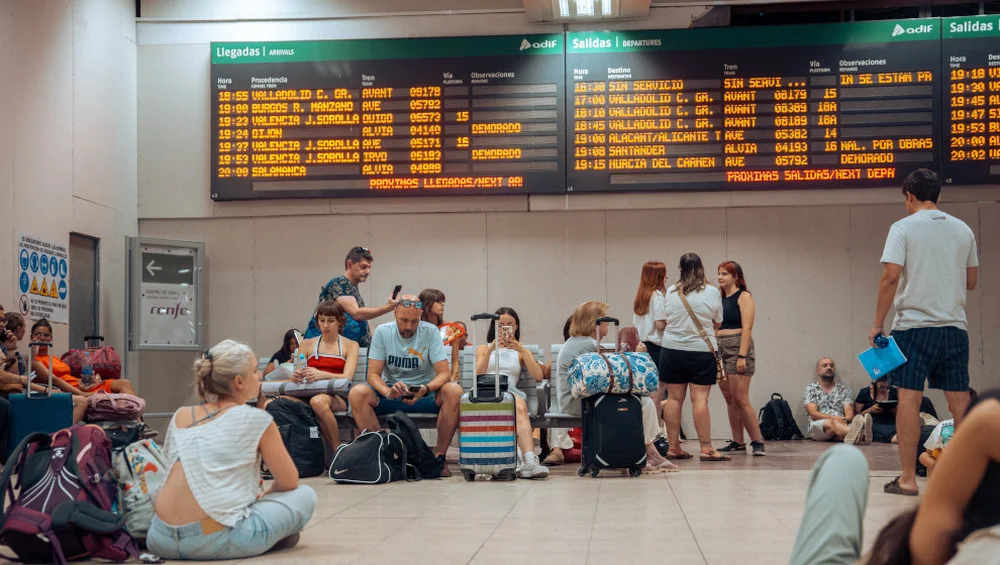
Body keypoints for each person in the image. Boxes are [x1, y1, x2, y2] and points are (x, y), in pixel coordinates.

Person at [147, 340, 315, 560]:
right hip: (211, 538)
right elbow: (289, 481)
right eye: (255, 371)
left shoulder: (181, 415)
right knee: (305, 496)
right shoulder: (257, 419)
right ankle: (263, 538)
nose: (259, 377)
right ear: (239, 382)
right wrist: (261, 498)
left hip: (159, 537)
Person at [788, 390, 1000, 565]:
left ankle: (856, 433)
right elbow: (817, 413)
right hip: (832, 423)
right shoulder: (842, 391)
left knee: (844, 457)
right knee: (843, 443)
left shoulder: (970, 542)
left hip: (851, 424)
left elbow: (985, 420)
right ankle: (856, 432)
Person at [869, 169, 978, 497]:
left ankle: (907, 479)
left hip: (914, 327)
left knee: (909, 400)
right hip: (955, 328)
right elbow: (971, 282)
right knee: (960, 403)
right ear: (938, 196)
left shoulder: (902, 228)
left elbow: (890, 277)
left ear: (909, 196)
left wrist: (877, 323)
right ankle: (967, 479)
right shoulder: (964, 230)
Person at [549, 301, 676, 473]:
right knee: (641, 403)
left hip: (577, 399)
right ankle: (647, 451)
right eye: (605, 322)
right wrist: (639, 356)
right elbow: (614, 376)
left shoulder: (578, 342)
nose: (608, 326)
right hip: (580, 403)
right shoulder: (587, 345)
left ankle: (646, 451)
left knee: (638, 402)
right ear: (595, 323)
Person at [347, 295, 464, 476]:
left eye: (414, 321)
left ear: (421, 316)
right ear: (395, 313)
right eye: (404, 320)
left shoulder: (430, 331)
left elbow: (444, 373)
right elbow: (372, 375)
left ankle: (437, 457)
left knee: (454, 390)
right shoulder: (383, 332)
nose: (409, 327)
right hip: (392, 393)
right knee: (357, 393)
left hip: (424, 394)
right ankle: (383, 455)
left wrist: (426, 388)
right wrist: (387, 391)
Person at [659, 252, 728, 462]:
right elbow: (718, 323)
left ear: (681, 269)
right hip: (701, 350)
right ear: (701, 268)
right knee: (700, 399)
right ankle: (706, 448)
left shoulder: (671, 290)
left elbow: (664, 320)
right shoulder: (712, 292)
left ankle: (673, 447)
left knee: (673, 399)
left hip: (671, 350)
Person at [473, 307, 549, 479]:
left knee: (519, 404)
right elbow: (478, 374)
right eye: (501, 325)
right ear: (494, 327)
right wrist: (492, 350)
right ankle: (517, 458)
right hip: (487, 389)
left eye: (510, 325)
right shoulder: (484, 348)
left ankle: (530, 459)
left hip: (508, 390)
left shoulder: (520, 350)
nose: (505, 328)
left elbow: (538, 375)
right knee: (517, 402)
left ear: (516, 327)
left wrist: (522, 350)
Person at [287, 301, 356, 449]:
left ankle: (337, 450)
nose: (325, 325)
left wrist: (321, 374)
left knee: (318, 402)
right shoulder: (307, 344)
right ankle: (296, 452)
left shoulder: (350, 345)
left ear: (340, 321)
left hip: (336, 395)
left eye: (331, 321)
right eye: (322, 320)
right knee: (276, 402)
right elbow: (299, 370)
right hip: (307, 392)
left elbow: (347, 377)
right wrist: (297, 376)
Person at [715, 260, 766, 456]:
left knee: (741, 398)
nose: (720, 277)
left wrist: (742, 356)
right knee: (729, 398)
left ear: (736, 277)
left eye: (725, 274)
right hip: (719, 349)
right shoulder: (719, 299)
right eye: (719, 273)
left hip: (737, 346)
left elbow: (747, 328)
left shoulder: (743, 296)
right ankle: (738, 441)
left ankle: (757, 441)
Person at [304, 246, 399, 347]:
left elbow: (364, 320)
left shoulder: (350, 287)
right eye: (363, 267)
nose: (368, 271)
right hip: (331, 351)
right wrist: (389, 307)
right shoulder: (340, 283)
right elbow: (356, 313)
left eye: (369, 267)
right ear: (349, 264)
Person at [28, 319, 136, 397]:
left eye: (46, 335)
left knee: (124, 383)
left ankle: (136, 422)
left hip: (81, 386)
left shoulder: (54, 358)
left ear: (51, 338)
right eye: (38, 334)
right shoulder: (35, 361)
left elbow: (68, 377)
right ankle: (135, 422)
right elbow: (55, 381)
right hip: (72, 391)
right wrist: (83, 394)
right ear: (32, 337)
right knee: (123, 385)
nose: (42, 338)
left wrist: (88, 381)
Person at [632, 261, 671, 456]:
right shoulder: (657, 295)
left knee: (650, 394)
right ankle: (657, 436)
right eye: (664, 274)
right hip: (657, 347)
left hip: (643, 347)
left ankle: (651, 435)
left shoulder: (641, 296)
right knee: (658, 394)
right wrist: (672, 318)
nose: (667, 278)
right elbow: (660, 324)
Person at [803, 358, 866, 443]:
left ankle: (847, 435)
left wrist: (845, 420)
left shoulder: (844, 389)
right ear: (817, 371)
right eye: (825, 366)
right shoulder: (811, 389)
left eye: (832, 366)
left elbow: (849, 414)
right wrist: (834, 419)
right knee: (831, 423)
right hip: (819, 426)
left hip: (841, 423)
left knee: (839, 432)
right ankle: (861, 436)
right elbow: (814, 414)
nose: (829, 368)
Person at [419, 288, 465, 382]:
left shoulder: (451, 328)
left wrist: (452, 380)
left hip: (445, 379)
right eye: (437, 301)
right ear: (427, 304)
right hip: (421, 377)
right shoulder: (416, 328)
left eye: (442, 301)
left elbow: (455, 361)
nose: (442, 304)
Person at [853, 377, 899, 444]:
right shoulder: (865, 392)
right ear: (876, 381)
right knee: (890, 434)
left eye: (887, 382)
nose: (885, 385)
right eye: (882, 383)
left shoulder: (894, 392)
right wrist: (870, 410)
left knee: (903, 431)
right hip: (873, 423)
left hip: (891, 422)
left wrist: (897, 411)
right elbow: (856, 415)